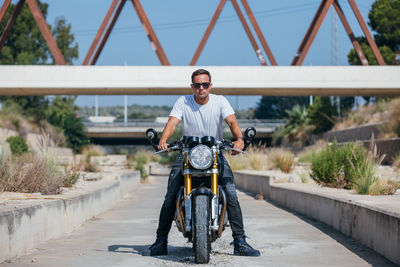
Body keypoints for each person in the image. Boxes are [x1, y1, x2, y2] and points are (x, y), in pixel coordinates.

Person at [143, 69, 260, 257]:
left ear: (210, 86)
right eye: (197, 85)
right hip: (188, 152)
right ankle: (160, 241)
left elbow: (231, 121)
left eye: (205, 84)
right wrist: (164, 140)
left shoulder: (220, 101)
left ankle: (240, 241)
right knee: (170, 194)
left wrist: (239, 139)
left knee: (231, 193)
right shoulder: (183, 102)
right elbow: (173, 123)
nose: (201, 88)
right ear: (192, 87)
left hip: (215, 152)